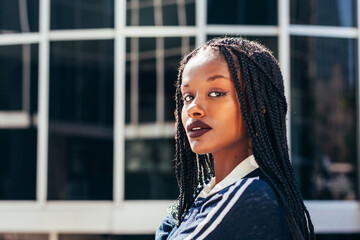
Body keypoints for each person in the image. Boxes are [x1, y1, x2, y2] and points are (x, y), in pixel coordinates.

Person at [156, 37, 315, 240]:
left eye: (216, 93)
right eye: (187, 96)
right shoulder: (206, 192)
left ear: (258, 105)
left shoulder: (252, 194)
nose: (193, 108)